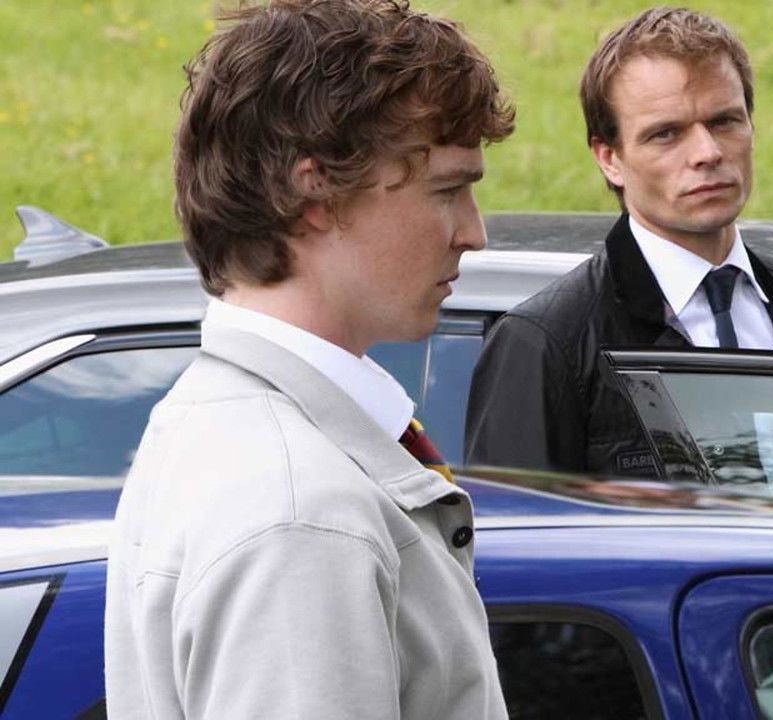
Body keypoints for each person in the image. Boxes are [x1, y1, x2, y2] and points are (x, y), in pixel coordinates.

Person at [104, 2, 514, 717]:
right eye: (448, 190)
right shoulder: (299, 512)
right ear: (315, 191)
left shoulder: (218, 425)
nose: (473, 233)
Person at [465, 7, 773, 477]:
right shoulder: (546, 342)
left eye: (724, 121)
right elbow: (516, 521)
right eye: (666, 134)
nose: (707, 153)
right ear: (609, 158)